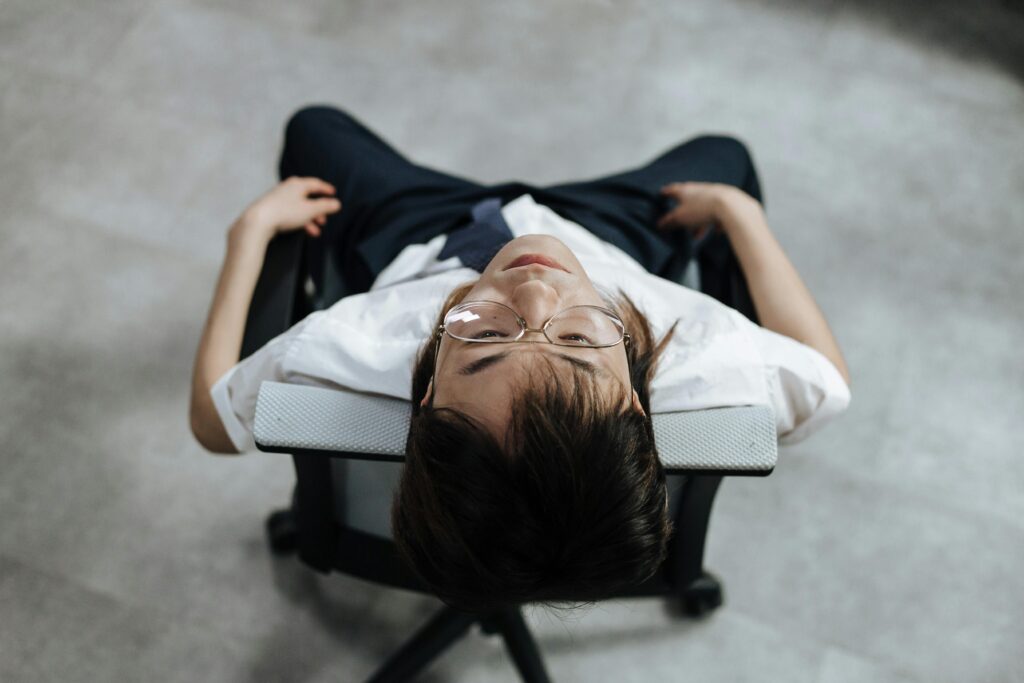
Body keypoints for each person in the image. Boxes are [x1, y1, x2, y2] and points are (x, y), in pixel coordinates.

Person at [189, 105, 850, 612]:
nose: (535, 288)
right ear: (633, 398)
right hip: (601, 242)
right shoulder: (709, 358)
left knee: (314, 129)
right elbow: (826, 378)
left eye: (481, 335)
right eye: (579, 339)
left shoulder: (348, 345)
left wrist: (248, 236)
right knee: (726, 158)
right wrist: (740, 217)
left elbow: (212, 423)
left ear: (427, 396)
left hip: (429, 238)